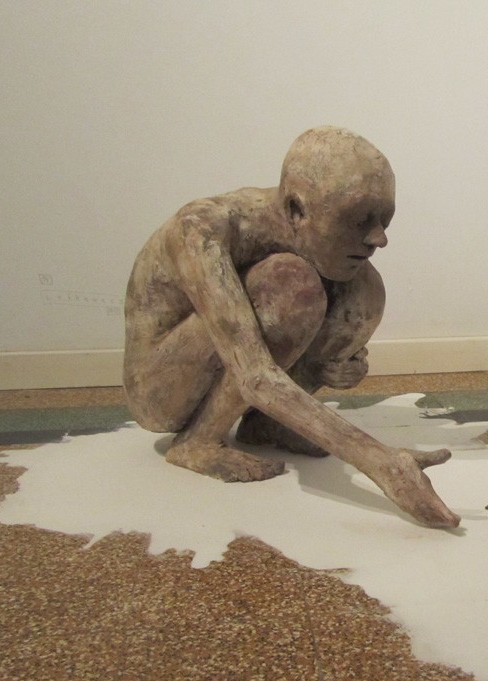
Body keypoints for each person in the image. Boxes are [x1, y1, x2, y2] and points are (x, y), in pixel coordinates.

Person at [123, 126, 460, 528]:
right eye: (359, 220)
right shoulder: (203, 229)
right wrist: (380, 461)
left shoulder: (303, 229)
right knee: (290, 284)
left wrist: (326, 367)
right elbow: (253, 373)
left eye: (383, 218)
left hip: (228, 362)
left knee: (363, 288)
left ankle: (268, 424)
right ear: (297, 210)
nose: (379, 238)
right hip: (160, 388)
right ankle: (197, 441)